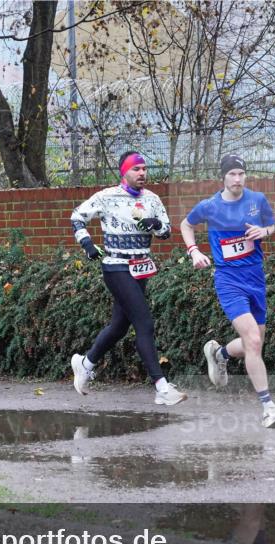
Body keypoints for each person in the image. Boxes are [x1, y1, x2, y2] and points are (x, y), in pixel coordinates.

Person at [68, 151, 186, 406]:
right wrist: (87, 243)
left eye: (144, 168)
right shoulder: (106, 196)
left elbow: (166, 231)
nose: (142, 173)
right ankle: (162, 387)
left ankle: (85, 364)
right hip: (116, 265)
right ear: (124, 172)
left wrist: (155, 224)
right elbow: (77, 216)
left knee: (119, 327)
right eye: (136, 169)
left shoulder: (152, 199)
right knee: (144, 323)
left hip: (141, 266)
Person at [180, 154, 275, 428]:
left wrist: (265, 231)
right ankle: (268, 406)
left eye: (241, 174)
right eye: (232, 174)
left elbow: (271, 225)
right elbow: (186, 225)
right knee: (252, 339)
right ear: (223, 177)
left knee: (255, 343)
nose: (237, 179)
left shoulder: (257, 200)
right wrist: (194, 251)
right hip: (228, 281)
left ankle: (220, 354)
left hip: (256, 279)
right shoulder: (210, 206)